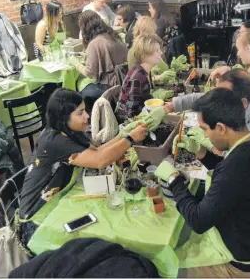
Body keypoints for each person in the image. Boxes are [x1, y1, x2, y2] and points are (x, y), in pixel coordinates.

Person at [155, 88, 250, 277]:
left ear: (221, 128)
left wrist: (173, 179)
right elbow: (230, 177)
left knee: (166, 268)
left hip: (237, 264)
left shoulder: (236, 167)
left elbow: (198, 220)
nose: (205, 135)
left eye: (205, 129)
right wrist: (201, 153)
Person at [19, 88, 148, 224]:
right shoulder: (54, 141)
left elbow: (98, 152)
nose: (87, 116)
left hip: (61, 195)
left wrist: (124, 134)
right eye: (80, 113)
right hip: (37, 213)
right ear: (64, 118)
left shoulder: (71, 130)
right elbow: (100, 161)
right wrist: (130, 139)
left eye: (85, 110)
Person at [164, 69, 250, 148]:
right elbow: (207, 98)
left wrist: (206, 144)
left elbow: (227, 158)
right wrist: (169, 107)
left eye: (221, 95)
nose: (216, 98)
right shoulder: (244, 102)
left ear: (243, 103)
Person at [74, 11, 128, 111]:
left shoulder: (95, 43)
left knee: (80, 88)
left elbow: (90, 73)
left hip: (111, 84)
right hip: (124, 79)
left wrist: (76, 64)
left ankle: (92, 120)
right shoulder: (113, 35)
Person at [115, 34, 164, 122]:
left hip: (141, 114)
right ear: (144, 55)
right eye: (157, 50)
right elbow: (131, 113)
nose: (161, 52)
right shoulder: (138, 77)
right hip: (129, 122)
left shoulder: (144, 71)